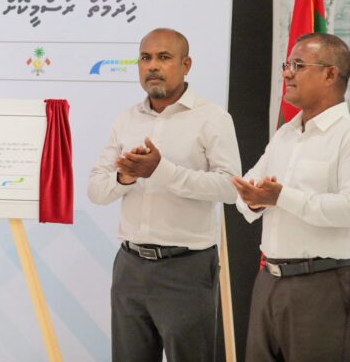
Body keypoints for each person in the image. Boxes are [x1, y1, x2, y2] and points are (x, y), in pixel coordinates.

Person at [88, 28, 241, 362]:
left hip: (185, 268)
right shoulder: (125, 119)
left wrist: (162, 170)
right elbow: (96, 190)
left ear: (186, 65)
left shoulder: (212, 118)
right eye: (145, 58)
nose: (153, 66)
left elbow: (230, 188)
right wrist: (125, 177)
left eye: (164, 57)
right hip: (130, 266)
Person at [233, 33, 350, 361]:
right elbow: (246, 192)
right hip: (268, 282)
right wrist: (254, 198)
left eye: (298, 65)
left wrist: (281, 197)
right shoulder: (285, 133)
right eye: (287, 65)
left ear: (330, 74)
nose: (287, 73)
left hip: (322, 285)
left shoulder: (346, 133)